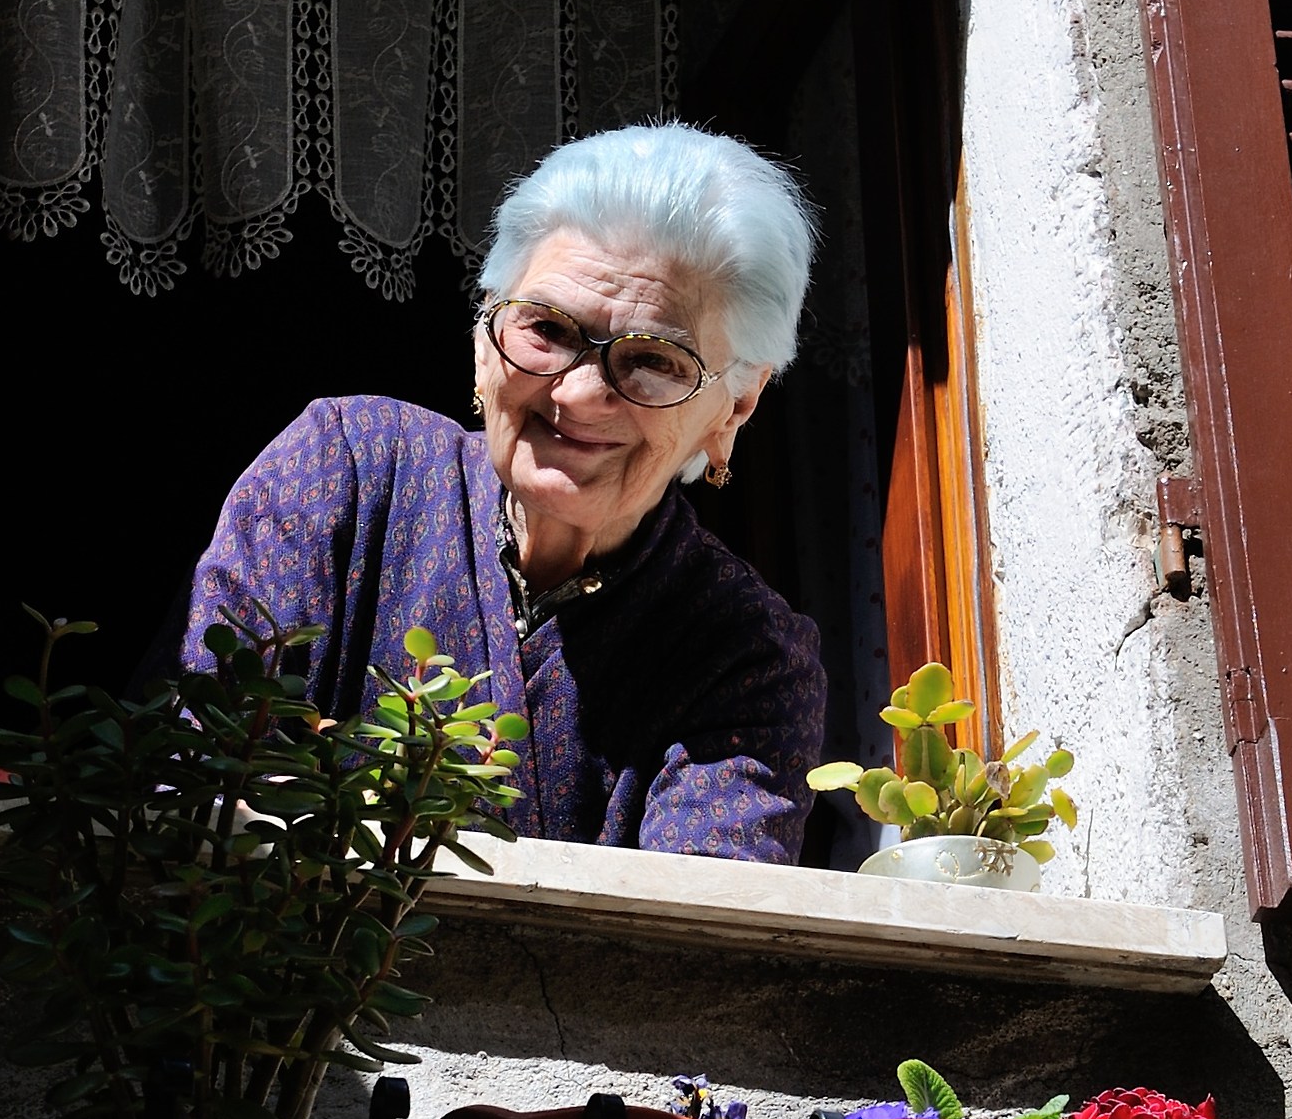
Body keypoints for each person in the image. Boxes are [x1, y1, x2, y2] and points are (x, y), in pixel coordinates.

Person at [181, 124, 828, 863]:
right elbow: (205, 780)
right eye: (547, 329)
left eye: (652, 359)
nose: (581, 395)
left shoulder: (746, 654)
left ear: (735, 406)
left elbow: (687, 950)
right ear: (484, 334)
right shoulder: (346, 471)